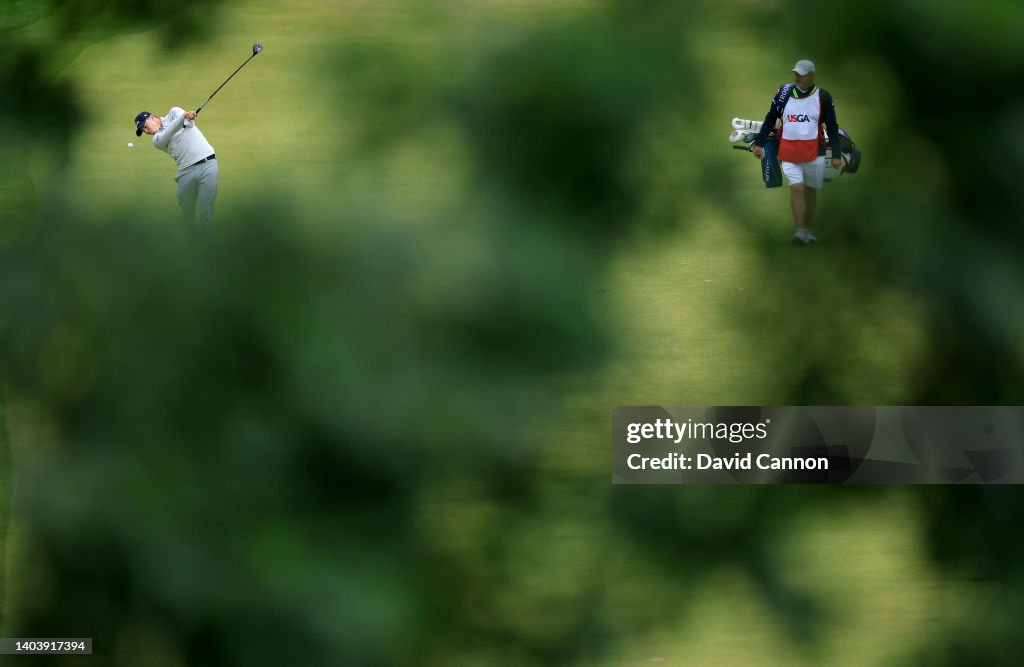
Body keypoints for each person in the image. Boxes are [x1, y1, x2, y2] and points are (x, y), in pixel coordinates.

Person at [751, 60, 842, 246]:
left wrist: (836, 155)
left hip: (814, 152)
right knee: (796, 188)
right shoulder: (784, 94)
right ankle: (801, 231)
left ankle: (807, 229)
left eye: (803, 74)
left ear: (812, 76)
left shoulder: (823, 97)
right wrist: (759, 143)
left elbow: (832, 127)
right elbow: (771, 118)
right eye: (796, 74)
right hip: (788, 151)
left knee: (810, 191)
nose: (798, 78)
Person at [134, 107, 218, 226]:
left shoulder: (174, 112)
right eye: (142, 130)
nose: (146, 130)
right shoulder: (156, 140)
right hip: (186, 172)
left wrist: (188, 117)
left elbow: (189, 124)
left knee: (206, 210)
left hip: (208, 164)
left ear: (152, 117)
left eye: (145, 125)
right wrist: (184, 117)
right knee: (187, 213)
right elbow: (170, 131)